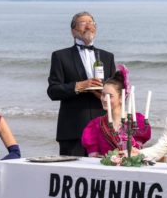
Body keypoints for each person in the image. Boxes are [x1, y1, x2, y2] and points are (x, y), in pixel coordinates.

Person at [48, 11, 116, 156]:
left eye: (91, 23)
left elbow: (117, 91)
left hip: (103, 129)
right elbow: (53, 91)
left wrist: (102, 93)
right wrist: (79, 86)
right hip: (73, 129)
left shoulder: (108, 57)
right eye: (83, 23)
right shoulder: (60, 56)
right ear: (73, 31)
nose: (88, 26)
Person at [81, 65, 151, 156]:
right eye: (103, 95)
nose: (104, 99)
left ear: (121, 98)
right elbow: (93, 158)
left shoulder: (137, 121)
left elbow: (138, 152)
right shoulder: (95, 126)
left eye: (110, 96)